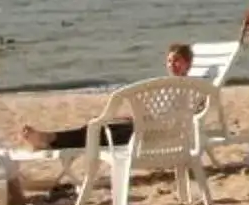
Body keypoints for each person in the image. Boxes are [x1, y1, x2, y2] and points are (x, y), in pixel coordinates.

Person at [15, 44, 196, 152]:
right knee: (97, 126)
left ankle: (50, 139)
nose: (172, 64)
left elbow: (181, 117)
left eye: (177, 60)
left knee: (96, 132)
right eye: (170, 60)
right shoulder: (165, 87)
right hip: (144, 128)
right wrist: (135, 117)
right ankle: (51, 139)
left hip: (152, 135)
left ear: (188, 64)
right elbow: (159, 114)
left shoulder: (190, 88)